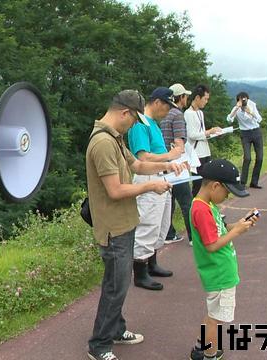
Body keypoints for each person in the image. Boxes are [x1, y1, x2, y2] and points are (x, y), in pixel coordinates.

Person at [86, 89, 183, 360]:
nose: (133, 126)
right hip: (113, 227)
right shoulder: (103, 143)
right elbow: (115, 190)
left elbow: (138, 165)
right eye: (134, 120)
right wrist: (151, 187)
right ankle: (99, 345)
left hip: (125, 222)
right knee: (115, 287)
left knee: (117, 284)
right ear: (125, 113)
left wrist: (168, 167)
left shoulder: (115, 139)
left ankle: (116, 329)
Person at [187, 159, 259, 360]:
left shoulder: (207, 205)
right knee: (216, 319)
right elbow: (211, 245)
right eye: (227, 192)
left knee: (213, 315)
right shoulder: (201, 209)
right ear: (215, 186)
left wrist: (239, 224)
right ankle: (210, 355)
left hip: (220, 271)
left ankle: (201, 347)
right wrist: (237, 231)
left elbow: (218, 231)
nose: (227, 196)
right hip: (219, 272)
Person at [127, 87, 184, 291]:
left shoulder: (154, 124)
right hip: (147, 176)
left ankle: (152, 263)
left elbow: (156, 152)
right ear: (158, 102)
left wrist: (170, 157)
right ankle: (140, 272)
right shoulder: (140, 124)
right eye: (167, 106)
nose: (168, 111)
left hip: (161, 175)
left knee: (161, 223)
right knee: (148, 223)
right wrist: (170, 157)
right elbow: (142, 157)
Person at [161, 83, 193, 246]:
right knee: (187, 201)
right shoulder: (177, 114)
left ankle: (169, 233)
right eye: (185, 96)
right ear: (181, 97)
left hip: (163, 162)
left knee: (170, 199)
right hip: (175, 163)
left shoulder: (164, 114)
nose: (187, 98)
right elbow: (178, 141)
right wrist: (184, 160)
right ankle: (194, 237)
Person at [185, 85, 222, 197]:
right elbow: (191, 135)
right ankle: (195, 210)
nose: (206, 102)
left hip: (205, 151)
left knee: (208, 182)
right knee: (198, 184)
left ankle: (207, 208)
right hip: (196, 154)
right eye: (205, 99)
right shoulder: (188, 113)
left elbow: (201, 132)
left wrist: (213, 133)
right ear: (197, 98)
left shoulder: (200, 113)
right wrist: (209, 131)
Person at [227, 92, 264, 189]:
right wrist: (236, 108)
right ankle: (242, 183)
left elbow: (259, 119)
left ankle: (254, 182)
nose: (243, 102)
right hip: (245, 134)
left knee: (259, 158)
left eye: (245, 99)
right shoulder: (236, 108)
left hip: (256, 132)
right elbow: (229, 119)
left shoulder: (252, 105)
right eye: (241, 100)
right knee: (247, 158)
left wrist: (250, 112)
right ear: (238, 100)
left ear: (247, 99)